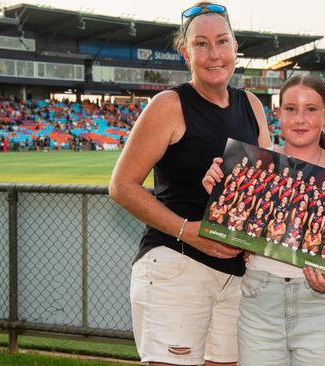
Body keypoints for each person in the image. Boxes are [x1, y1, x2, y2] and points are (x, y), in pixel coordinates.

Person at [108, 2, 271, 365]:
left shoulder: (252, 106)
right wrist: (188, 230)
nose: (214, 54)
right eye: (201, 44)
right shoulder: (169, 104)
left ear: (235, 46)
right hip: (177, 265)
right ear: (186, 53)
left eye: (222, 41)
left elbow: (264, 190)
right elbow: (122, 185)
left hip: (236, 275)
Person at [203, 75, 325, 366]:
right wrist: (218, 189)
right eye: (290, 108)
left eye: (311, 109)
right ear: (278, 113)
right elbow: (226, 234)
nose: (300, 118)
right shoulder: (254, 164)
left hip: (322, 304)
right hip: (261, 295)